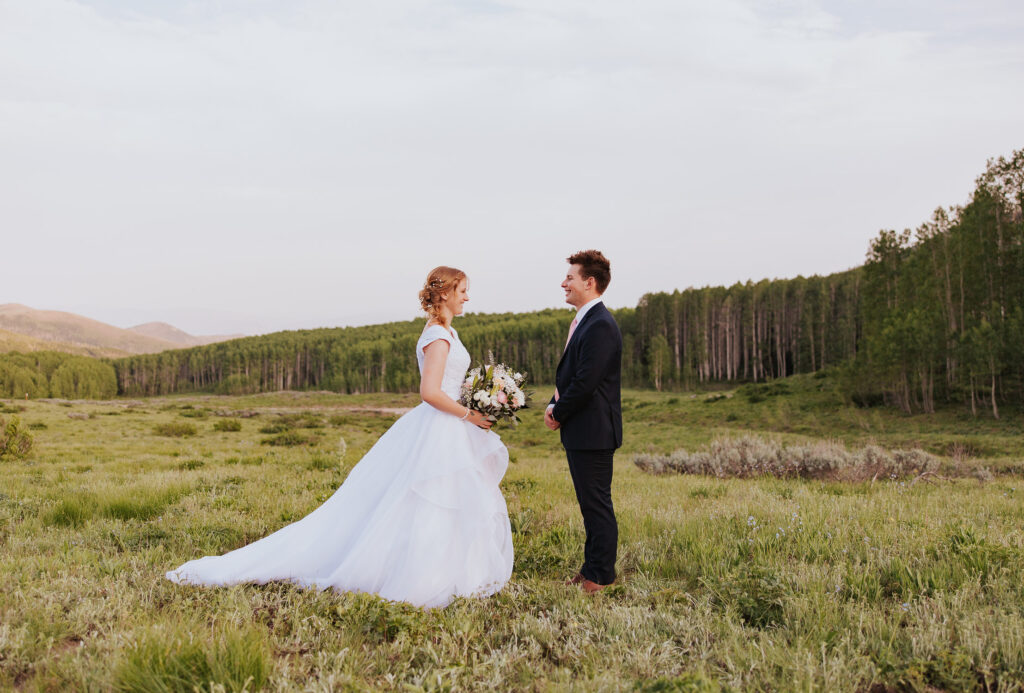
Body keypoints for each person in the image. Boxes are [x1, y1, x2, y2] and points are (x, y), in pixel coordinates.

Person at [166, 267, 514, 609]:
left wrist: (474, 397)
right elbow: (429, 392)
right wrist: (469, 412)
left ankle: (450, 568)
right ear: (445, 294)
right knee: (429, 499)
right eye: (463, 290)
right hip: (440, 426)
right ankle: (420, 575)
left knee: (441, 498)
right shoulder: (438, 336)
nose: (467, 296)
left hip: (449, 426)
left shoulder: (446, 332)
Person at [544, 250, 623, 594]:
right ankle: (591, 568)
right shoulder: (584, 321)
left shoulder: (601, 325)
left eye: (570, 278)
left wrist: (557, 413)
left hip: (593, 432)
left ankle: (601, 576)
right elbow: (571, 376)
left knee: (597, 505)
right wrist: (552, 402)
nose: (564, 283)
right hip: (583, 431)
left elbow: (586, 383)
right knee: (589, 505)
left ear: (589, 283)